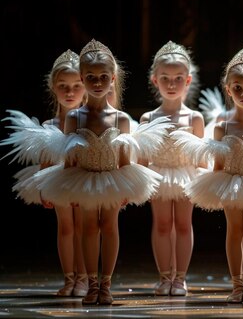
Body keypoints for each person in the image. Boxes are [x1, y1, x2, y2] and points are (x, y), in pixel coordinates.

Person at [35, 39, 166, 305]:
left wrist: (127, 186)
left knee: (108, 226)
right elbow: (70, 157)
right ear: (82, 78)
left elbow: (125, 159)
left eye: (103, 77)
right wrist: (66, 185)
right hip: (83, 177)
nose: (97, 82)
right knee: (87, 228)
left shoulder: (120, 119)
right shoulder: (75, 118)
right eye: (91, 77)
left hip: (110, 179)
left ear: (113, 78)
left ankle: (105, 283)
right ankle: (91, 283)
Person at [181, 46, 243, 303]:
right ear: (228, 89)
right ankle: (237, 284)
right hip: (231, 182)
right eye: (238, 87)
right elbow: (219, 165)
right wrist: (213, 185)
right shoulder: (223, 126)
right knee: (235, 229)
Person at [1, 50, 88, 297]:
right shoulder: (49, 126)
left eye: (76, 86)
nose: (70, 92)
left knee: (82, 227)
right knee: (65, 228)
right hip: (59, 182)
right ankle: (69, 278)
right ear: (53, 87)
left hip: (82, 181)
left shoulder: (88, 123)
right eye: (63, 86)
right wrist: (43, 186)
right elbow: (46, 160)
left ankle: (83, 279)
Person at [139, 41, 205, 296]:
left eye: (178, 78)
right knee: (163, 224)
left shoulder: (194, 118)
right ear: (155, 80)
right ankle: (165, 276)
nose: (171, 84)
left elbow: (199, 157)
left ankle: (180, 278)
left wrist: (202, 180)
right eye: (165, 78)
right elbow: (144, 155)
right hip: (159, 176)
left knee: (184, 225)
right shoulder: (148, 118)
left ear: (187, 81)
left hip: (185, 176)